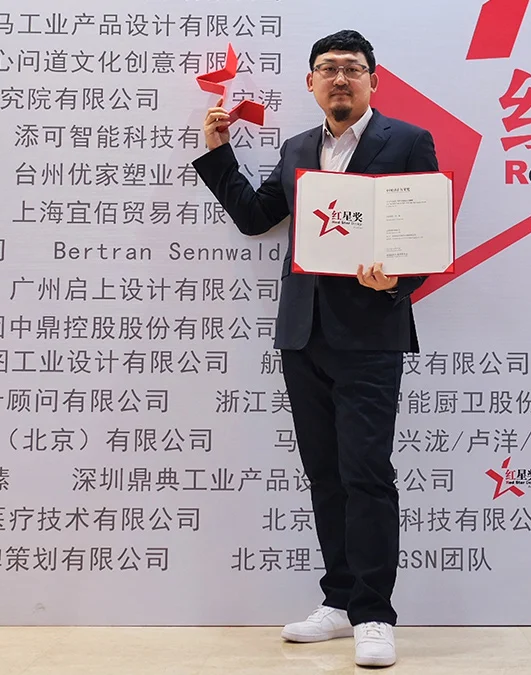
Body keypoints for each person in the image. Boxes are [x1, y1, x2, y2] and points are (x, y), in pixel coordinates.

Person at [192, 29, 439, 668]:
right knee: (324, 474)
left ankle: (374, 613)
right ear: (311, 83)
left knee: (366, 474)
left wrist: (398, 279)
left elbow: (423, 229)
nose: (339, 78)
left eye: (352, 68)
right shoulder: (298, 147)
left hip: (371, 334)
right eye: (327, 68)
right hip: (302, 333)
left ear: (373, 82)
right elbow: (256, 218)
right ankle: (338, 601)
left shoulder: (408, 141)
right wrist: (219, 154)